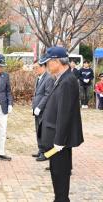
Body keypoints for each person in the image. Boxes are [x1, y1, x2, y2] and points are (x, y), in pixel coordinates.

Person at [39, 47, 84, 202]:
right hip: (57, 138)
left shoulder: (67, 81)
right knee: (56, 174)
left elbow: (65, 114)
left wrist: (59, 141)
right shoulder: (61, 78)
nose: (46, 67)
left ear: (56, 61)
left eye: (47, 63)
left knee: (60, 174)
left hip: (60, 141)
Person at [31, 57, 54, 161]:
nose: (35, 70)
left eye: (36, 68)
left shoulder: (49, 78)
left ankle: (45, 152)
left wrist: (39, 107)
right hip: (36, 109)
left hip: (44, 110)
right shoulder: (39, 77)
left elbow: (47, 94)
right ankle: (40, 150)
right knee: (38, 130)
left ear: (43, 67)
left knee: (43, 131)